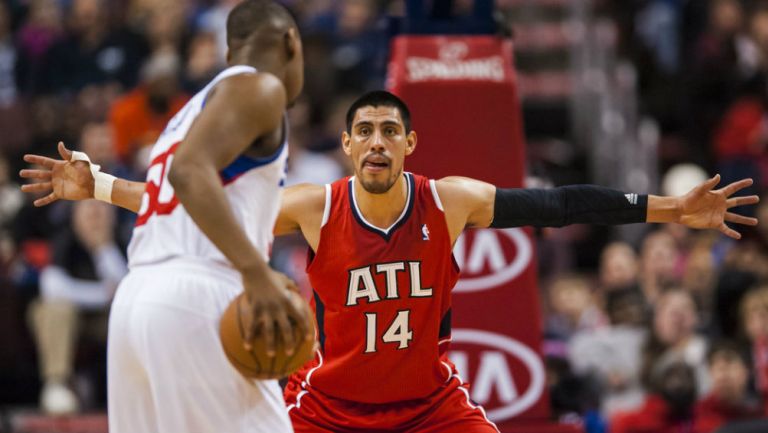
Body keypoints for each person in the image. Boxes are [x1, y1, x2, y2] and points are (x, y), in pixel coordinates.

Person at [21, 91, 760, 432]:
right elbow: (193, 207)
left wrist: (670, 210)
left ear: (410, 144)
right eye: (364, 129)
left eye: (389, 130)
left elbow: (563, 203)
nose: (376, 140)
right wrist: (102, 184)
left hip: (430, 405)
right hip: (328, 407)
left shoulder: (451, 201)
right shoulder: (316, 206)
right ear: (347, 147)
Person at [22, 1, 312, 432]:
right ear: (292, 42)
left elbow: (174, 190)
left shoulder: (190, 111)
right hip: (198, 294)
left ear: (229, 53)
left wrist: (100, 186)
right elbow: (189, 173)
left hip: (138, 298)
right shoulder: (260, 87)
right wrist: (256, 272)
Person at [29, 199, 126, 415]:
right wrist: (104, 294)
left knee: (133, 313)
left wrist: (104, 249)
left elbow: (129, 289)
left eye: (101, 212)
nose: (95, 218)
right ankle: (57, 384)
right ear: (75, 216)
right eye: (88, 212)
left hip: (103, 319)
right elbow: (53, 287)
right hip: (66, 317)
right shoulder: (64, 239)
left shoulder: (123, 239)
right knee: (56, 309)